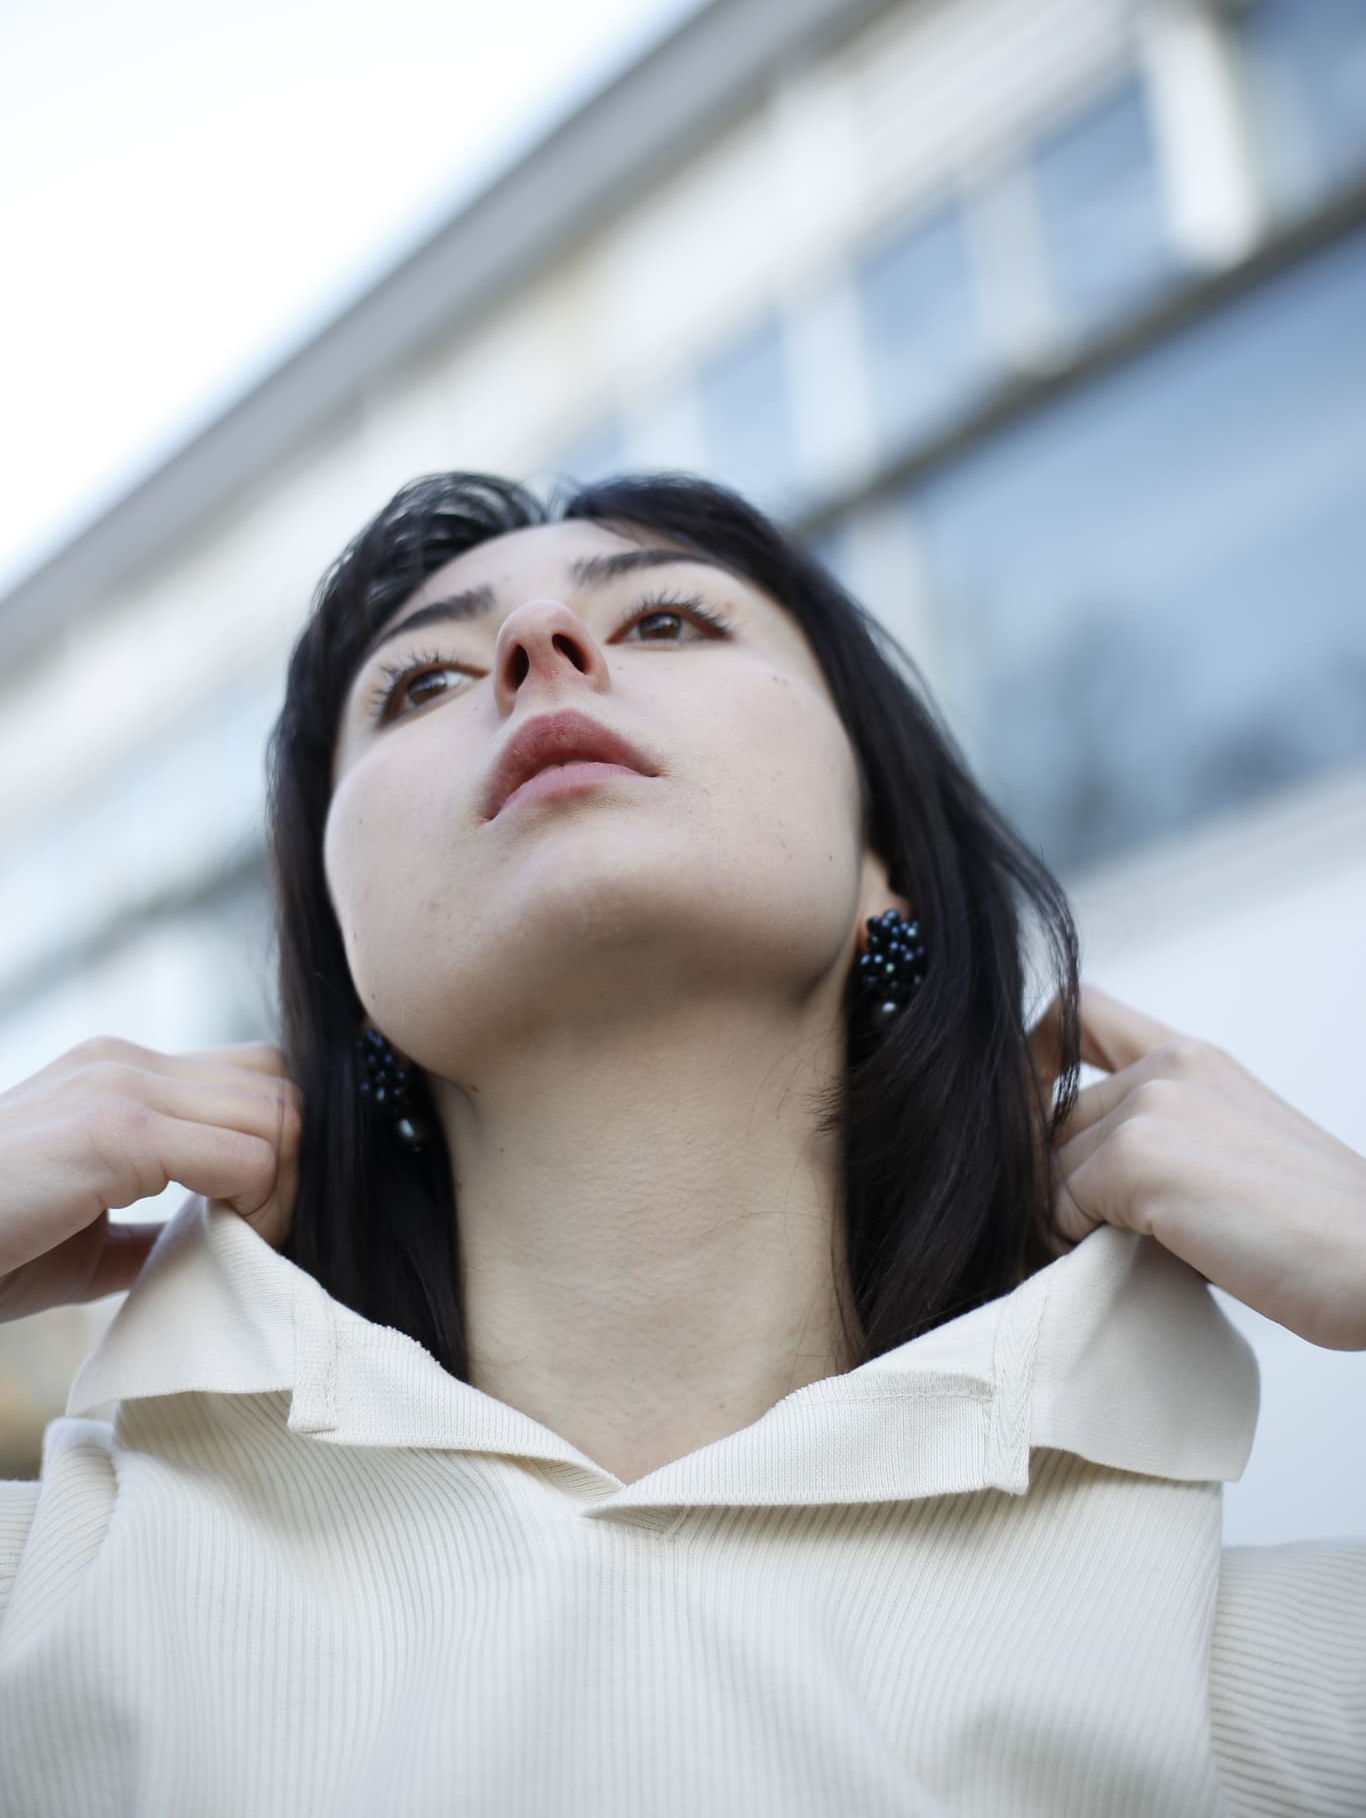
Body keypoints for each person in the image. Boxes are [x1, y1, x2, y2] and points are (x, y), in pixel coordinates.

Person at [1, 468, 1363, 1816]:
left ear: (878, 857)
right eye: (421, 683)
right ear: (343, 946)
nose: (540, 651)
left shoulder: (1226, 1678)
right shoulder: (53, 1603)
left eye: (666, 622)